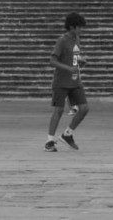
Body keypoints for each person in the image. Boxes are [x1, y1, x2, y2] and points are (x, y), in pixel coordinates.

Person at [45, 12, 89, 151]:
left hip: (75, 81)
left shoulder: (77, 39)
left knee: (84, 108)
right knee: (58, 110)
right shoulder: (62, 41)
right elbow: (52, 61)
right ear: (71, 27)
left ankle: (67, 135)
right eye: (79, 27)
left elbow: (74, 57)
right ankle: (49, 142)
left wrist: (80, 61)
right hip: (61, 81)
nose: (81, 30)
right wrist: (68, 68)